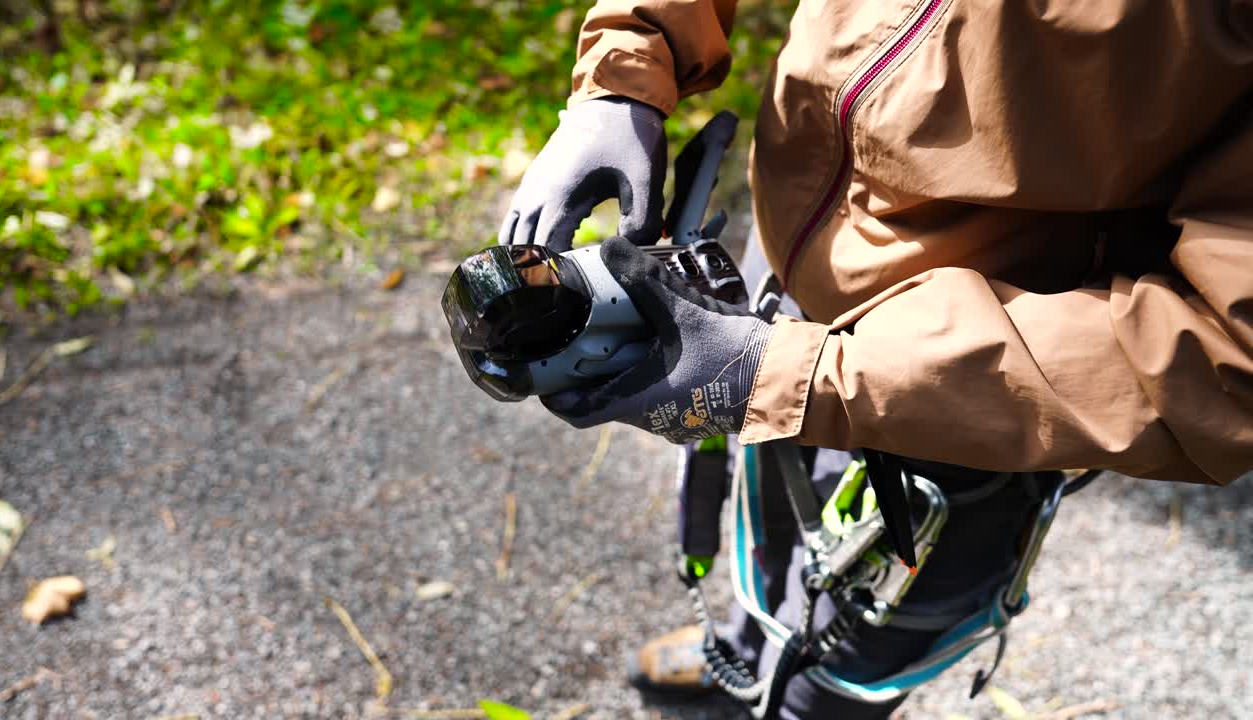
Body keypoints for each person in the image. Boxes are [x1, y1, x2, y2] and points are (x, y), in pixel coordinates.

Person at [499, 2, 1253, 717]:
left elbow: (1228, 358)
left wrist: (804, 379)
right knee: (765, 514)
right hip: (795, 236)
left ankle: (797, 685)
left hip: (965, 379)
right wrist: (628, 64)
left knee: (858, 640)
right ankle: (746, 641)